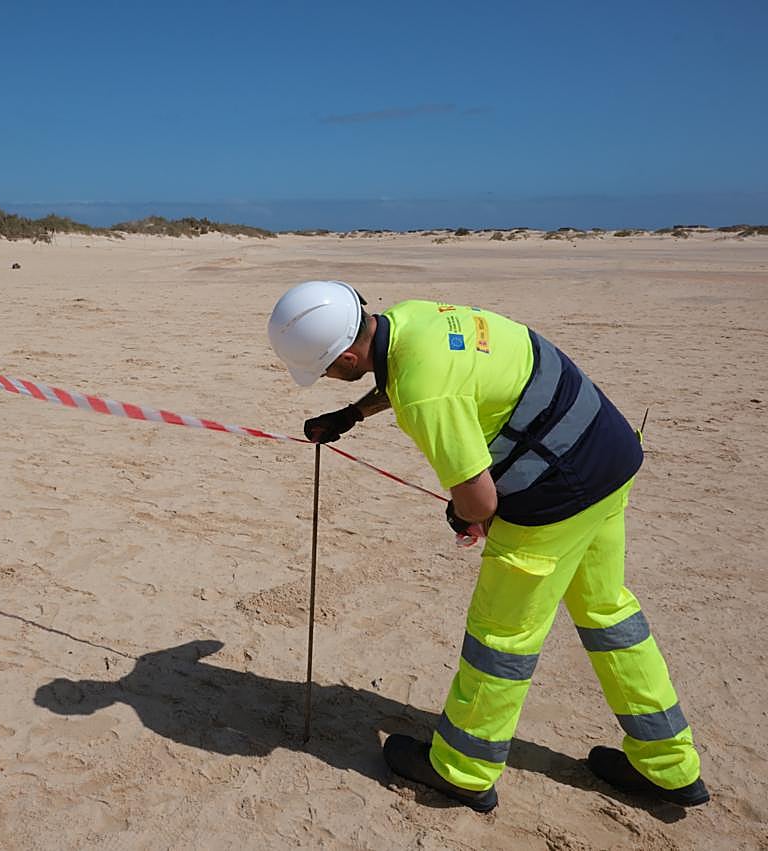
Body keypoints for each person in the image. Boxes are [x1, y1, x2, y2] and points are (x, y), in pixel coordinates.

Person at [267, 280, 708, 813]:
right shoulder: (411, 319)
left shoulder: (424, 392)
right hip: (608, 454)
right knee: (607, 613)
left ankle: (463, 770)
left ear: (347, 355)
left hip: (559, 494)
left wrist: (462, 515)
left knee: (501, 639)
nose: (329, 381)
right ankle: (669, 763)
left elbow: (478, 499)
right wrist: (354, 414)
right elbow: (426, 374)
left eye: (327, 371)